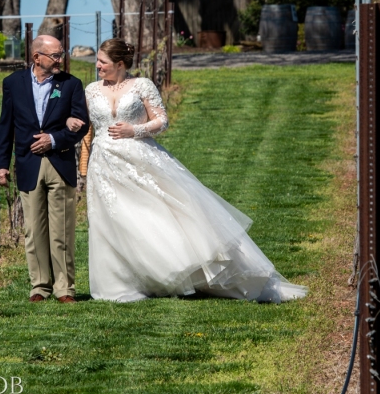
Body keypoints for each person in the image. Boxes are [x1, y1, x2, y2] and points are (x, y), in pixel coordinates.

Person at [67, 38, 307, 303]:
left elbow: (162, 121)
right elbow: (83, 122)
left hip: (141, 160)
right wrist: (73, 126)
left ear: (120, 64)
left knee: (154, 214)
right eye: (98, 61)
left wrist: (134, 130)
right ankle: (124, 280)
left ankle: (178, 269)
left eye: (102, 62)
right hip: (105, 164)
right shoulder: (90, 90)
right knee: (114, 220)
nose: (97, 66)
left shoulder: (142, 85)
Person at [0, 35, 89, 303]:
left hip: (59, 163)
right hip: (28, 164)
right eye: (55, 55)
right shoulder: (13, 83)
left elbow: (82, 124)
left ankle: (64, 288)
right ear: (37, 58)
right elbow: (6, 126)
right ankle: (39, 286)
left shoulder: (71, 84)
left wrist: (54, 139)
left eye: (61, 54)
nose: (61, 59)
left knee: (62, 231)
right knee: (34, 231)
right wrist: (1, 165)